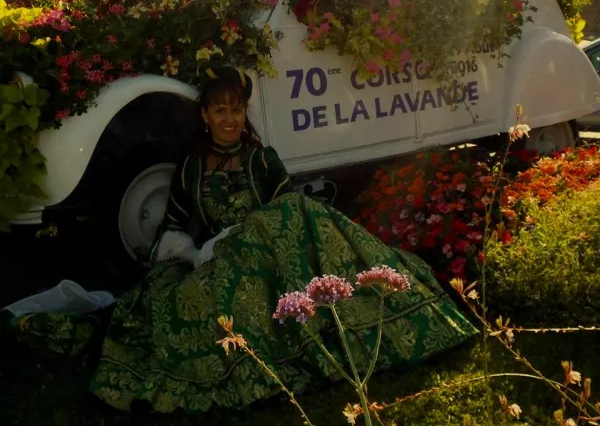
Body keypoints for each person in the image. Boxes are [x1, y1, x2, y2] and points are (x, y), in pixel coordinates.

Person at [6, 66, 477, 415]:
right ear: (205, 115)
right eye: (220, 110)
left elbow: (287, 216)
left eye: (236, 109)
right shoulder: (192, 167)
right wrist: (193, 252)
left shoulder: (261, 160)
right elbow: (173, 224)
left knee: (294, 212)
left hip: (271, 256)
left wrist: (251, 233)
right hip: (219, 257)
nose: (230, 119)